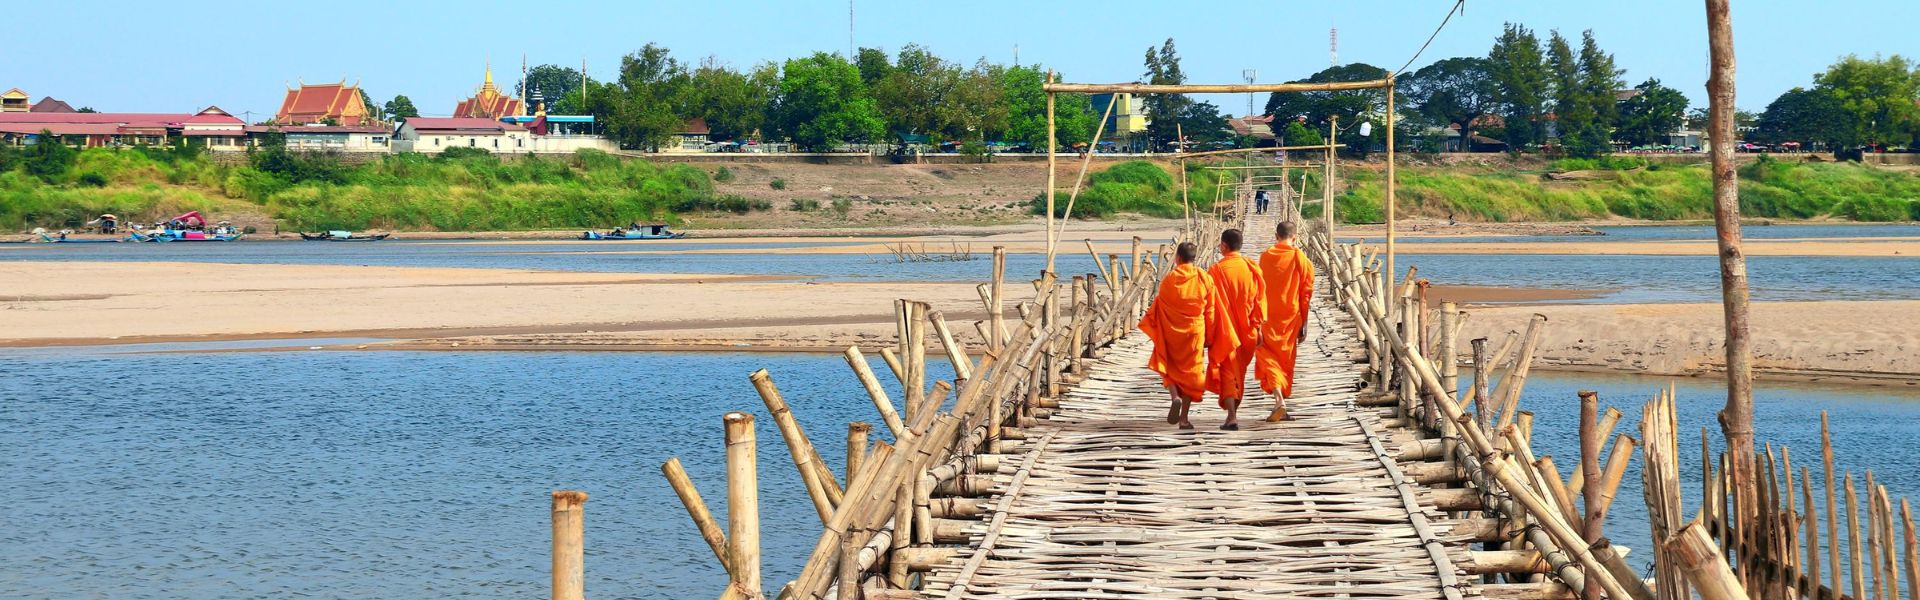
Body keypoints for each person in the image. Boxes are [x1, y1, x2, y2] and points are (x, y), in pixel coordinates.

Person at [1138, 242, 1236, 429]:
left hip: (1171, 331)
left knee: (1168, 365)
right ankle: (1183, 419)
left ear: (1178, 258)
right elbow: (1211, 310)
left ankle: (1174, 396)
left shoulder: (1169, 280)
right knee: (1191, 373)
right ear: (1194, 258)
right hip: (1194, 332)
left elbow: (1160, 306)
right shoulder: (1203, 278)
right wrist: (1210, 334)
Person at [1254, 221, 1316, 421]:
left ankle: (1279, 399)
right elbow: (1306, 292)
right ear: (1295, 237)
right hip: (1291, 315)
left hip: (1268, 316)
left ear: (1276, 235)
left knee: (1267, 356)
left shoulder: (1265, 257)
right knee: (1285, 359)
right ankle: (1280, 401)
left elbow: (1258, 289)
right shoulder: (1300, 258)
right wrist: (1305, 322)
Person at [1205, 229, 1264, 430]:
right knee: (1239, 372)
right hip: (1248, 329)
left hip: (1224, 330)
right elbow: (1259, 301)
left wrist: (1208, 331)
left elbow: (1209, 305)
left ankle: (1231, 417)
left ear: (1223, 246)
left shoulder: (1215, 270)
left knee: (1228, 372)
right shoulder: (1251, 268)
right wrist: (1259, 327)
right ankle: (1233, 414)